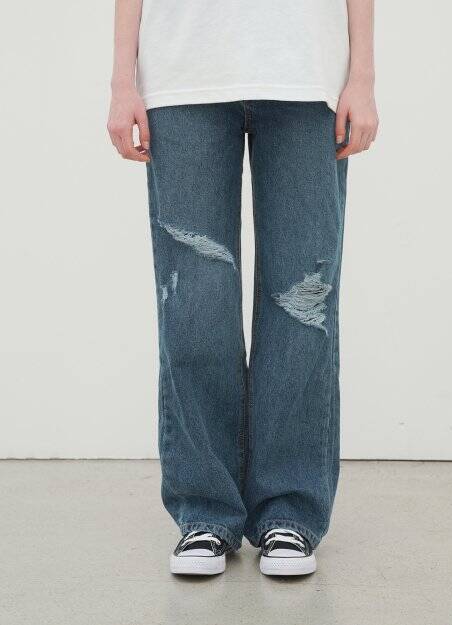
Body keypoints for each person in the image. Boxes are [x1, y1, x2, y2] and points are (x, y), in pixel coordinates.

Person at [108, 0, 378, 577]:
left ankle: (290, 511)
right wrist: (121, 81)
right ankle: (206, 513)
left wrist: (363, 76)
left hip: (307, 74)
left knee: (302, 304)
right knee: (194, 306)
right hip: (181, 75)